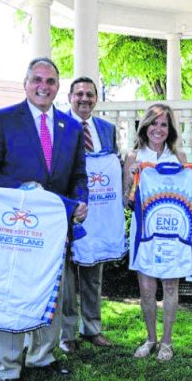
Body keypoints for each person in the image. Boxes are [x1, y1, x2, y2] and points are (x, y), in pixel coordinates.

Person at [0, 58, 89, 381]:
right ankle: (9, 369)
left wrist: (80, 201)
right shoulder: (3, 119)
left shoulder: (70, 127)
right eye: (37, 79)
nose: (44, 86)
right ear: (25, 83)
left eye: (51, 81)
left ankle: (42, 355)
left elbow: (77, 177)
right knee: (13, 294)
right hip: (15, 232)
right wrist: (22, 192)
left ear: (57, 86)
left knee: (50, 290)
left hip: (53, 233)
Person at [123, 103, 188, 361]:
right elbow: (126, 201)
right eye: (154, 123)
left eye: (164, 124)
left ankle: (167, 342)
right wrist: (131, 180)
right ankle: (151, 339)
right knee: (147, 288)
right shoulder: (133, 157)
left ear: (170, 129)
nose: (158, 129)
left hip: (172, 233)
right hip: (143, 232)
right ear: (145, 126)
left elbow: (188, 194)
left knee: (171, 285)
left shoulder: (180, 158)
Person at [60, 76, 118, 354]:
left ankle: (93, 328)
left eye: (90, 94)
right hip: (69, 209)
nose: (84, 99)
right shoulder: (59, 125)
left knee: (93, 274)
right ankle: (67, 333)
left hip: (99, 211)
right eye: (79, 94)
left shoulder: (107, 129)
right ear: (70, 97)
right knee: (68, 276)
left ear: (96, 98)